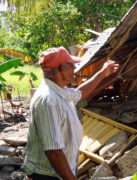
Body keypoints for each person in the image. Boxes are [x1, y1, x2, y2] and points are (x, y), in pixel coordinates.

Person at [24, 47, 119, 180]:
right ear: (62, 69)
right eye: (72, 65)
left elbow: (79, 93)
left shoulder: (59, 91)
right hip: (46, 176)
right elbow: (54, 152)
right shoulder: (48, 100)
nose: (75, 68)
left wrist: (102, 74)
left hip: (57, 174)